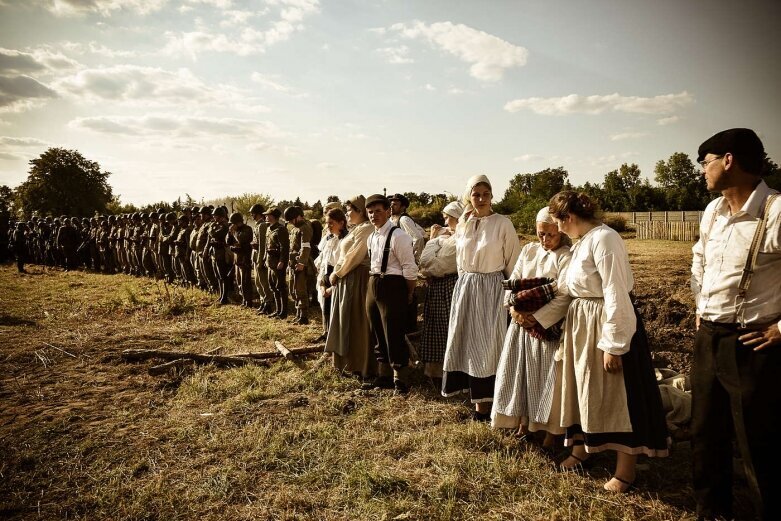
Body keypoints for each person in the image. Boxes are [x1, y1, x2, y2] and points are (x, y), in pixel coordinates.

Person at [549, 190, 668, 493]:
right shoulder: (581, 243)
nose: (556, 227)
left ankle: (626, 470)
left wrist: (613, 344)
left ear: (569, 217)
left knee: (618, 395)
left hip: (605, 323)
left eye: (557, 220)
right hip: (583, 324)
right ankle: (582, 450)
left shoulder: (605, 239)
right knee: (584, 388)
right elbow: (569, 287)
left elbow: (616, 291)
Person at [690, 128, 780, 520]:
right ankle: (712, 512)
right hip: (709, 336)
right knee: (705, 433)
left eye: (705, 162)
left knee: (758, 440)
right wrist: (700, 303)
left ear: (729, 160)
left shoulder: (775, 210)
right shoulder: (713, 212)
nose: (703, 172)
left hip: (753, 342)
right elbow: (700, 260)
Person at [491, 207, 572, 453]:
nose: (545, 240)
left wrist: (536, 318)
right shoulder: (529, 251)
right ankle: (523, 423)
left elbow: (564, 294)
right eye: (540, 234)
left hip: (544, 329)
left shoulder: (565, 257)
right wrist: (513, 309)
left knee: (545, 379)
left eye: (551, 235)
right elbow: (512, 282)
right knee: (521, 375)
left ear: (560, 233)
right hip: (520, 326)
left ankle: (549, 432)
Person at [442, 175, 521, 420]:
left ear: (492, 196)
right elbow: (459, 259)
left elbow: (513, 262)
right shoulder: (464, 223)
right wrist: (465, 281)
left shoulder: (502, 223)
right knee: (467, 342)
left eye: (486, 194)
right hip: (467, 287)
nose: (481, 199)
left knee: (489, 346)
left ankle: (492, 406)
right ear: (469, 197)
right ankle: (477, 403)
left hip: (492, 289)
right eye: (476, 194)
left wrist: (511, 295)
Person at [361, 194, 418, 394]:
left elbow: (410, 269)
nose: (374, 215)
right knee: (377, 329)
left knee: (393, 332)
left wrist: (408, 293)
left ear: (387, 211)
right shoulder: (372, 237)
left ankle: (400, 379)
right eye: (370, 212)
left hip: (393, 284)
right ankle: (383, 375)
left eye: (378, 211)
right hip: (374, 282)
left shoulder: (399, 236)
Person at [325, 195, 377, 379]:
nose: (347, 214)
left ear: (360, 211)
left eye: (349, 210)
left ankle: (360, 364)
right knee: (345, 319)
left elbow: (355, 256)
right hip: (347, 278)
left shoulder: (367, 229)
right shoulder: (357, 229)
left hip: (356, 278)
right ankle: (346, 362)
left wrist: (337, 273)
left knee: (356, 322)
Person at [418, 200, 463, 385]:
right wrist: (433, 242)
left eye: (447, 218)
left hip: (450, 286)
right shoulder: (444, 239)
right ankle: (435, 373)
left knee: (447, 328)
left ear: (457, 218)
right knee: (434, 327)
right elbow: (423, 262)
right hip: (436, 287)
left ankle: (451, 373)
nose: (445, 222)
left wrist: (433, 246)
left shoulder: (459, 239)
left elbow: (437, 266)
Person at [314, 207, 348, 342]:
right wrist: (322, 282)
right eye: (327, 223)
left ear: (342, 223)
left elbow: (344, 266)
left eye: (331, 223)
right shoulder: (329, 239)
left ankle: (336, 337)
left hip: (338, 278)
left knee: (337, 309)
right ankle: (326, 332)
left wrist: (332, 288)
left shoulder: (345, 241)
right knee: (326, 306)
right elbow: (324, 261)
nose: (328, 226)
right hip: (327, 275)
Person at [284, 205, 314, 325]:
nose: (290, 222)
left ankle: (304, 316)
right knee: (293, 289)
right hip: (293, 262)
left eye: (291, 220)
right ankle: (298, 314)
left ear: (297, 217)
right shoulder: (294, 229)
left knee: (301, 290)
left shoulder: (305, 228)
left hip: (301, 263)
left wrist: (301, 263)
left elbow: (305, 247)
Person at [264, 207, 290, 318]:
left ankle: (283, 312)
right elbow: (267, 246)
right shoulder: (269, 228)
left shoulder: (281, 229)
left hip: (278, 262)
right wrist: (265, 259)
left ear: (273, 216)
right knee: (273, 287)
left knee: (281, 287)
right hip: (270, 262)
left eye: (268, 215)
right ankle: (278, 310)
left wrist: (282, 261)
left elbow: (285, 248)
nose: (266, 216)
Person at [249, 204, 273, 315]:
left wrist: (261, 260)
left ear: (258, 214)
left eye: (253, 213)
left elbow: (262, 245)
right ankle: (263, 302)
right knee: (258, 282)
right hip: (256, 256)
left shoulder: (262, 226)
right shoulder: (257, 225)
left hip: (260, 257)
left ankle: (268, 303)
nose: (252, 215)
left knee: (263, 282)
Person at [229, 212, 255, 307]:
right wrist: (230, 233)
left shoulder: (247, 229)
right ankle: (243, 299)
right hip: (237, 259)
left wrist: (234, 233)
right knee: (239, 281)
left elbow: (242, 240)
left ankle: (248, 300)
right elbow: (228, 242)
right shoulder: (235, 230)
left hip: (245, 259)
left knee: (245, 282)